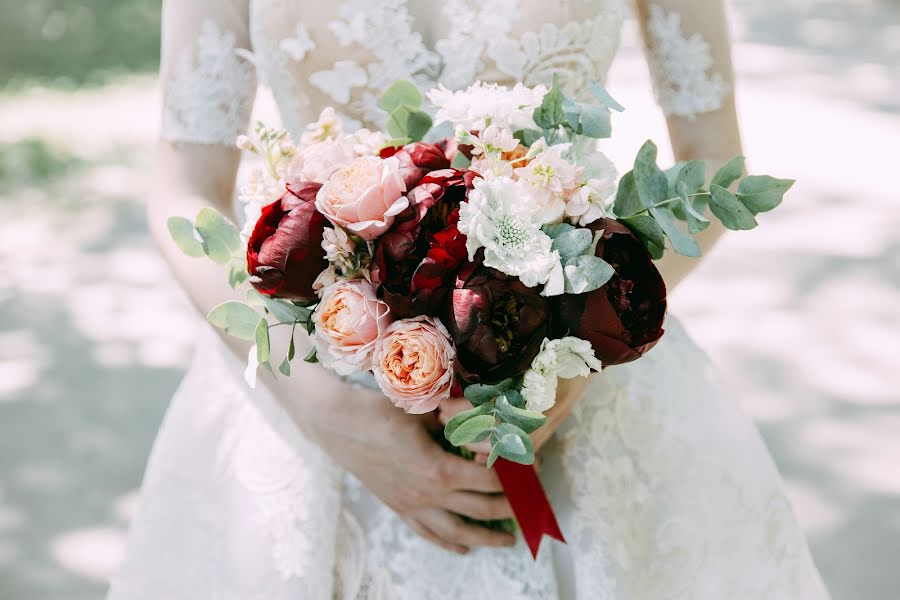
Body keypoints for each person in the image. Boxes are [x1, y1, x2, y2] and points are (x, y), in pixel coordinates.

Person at [108, 1, 831, 598]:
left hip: (576, 382)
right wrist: (319, 408)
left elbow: (709, 157)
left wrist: (579, 360)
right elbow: (185, 187)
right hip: (311, 380)